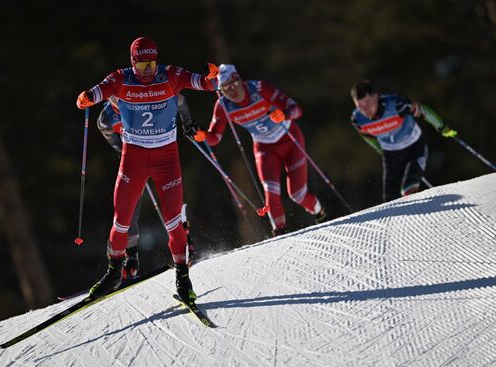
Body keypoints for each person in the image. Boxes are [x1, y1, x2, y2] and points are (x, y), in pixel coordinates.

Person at [76, 37, 217, 304]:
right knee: (121, 220)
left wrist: (213, 78)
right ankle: (114, 271)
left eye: (152, 64)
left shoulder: (170, 75)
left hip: (167, 160)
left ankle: (183, 278)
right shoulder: (120, 79)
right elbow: (96, 93)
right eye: (142, 66)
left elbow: (203, 83)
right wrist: (85, 98)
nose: (148, 71)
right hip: (134, 158)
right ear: (132, 62)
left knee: (174, 222)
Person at [204, 64, 326, 237]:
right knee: (271, 193)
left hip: (289, 138)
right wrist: (200, 135)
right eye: (224, 89)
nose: (231, 91)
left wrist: (284, 114)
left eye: (233, 84)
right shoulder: (223, 105)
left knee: (298, 194)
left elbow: (296, 109)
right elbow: (214, 137)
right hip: (264, 147)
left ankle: (320, 213)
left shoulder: (259, 89)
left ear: (239, 80)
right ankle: (280, 232)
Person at [96, 94, 198, 279]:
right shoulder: (106, 117)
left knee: (173, 199)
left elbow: (180, 100)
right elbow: (107, 132)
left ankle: (186, 241)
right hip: (136, 160)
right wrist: (121, 150)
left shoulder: (147, 100)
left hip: (163, 156)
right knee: (129, 207)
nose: (120, 102)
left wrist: (188, 122)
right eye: (115, 99)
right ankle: (130, 257)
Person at [350, 80, 457, 202]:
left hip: (414, 147)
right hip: (391, 154)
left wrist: (442, 127)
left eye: (368, 103)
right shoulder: (357, 119)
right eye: (360, 106)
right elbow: (367, 136)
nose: (365, 109)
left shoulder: (396, 104)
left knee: (408, 189)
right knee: (390, 199)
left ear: (376, 97)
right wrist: (379, 148)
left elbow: (422, 110)